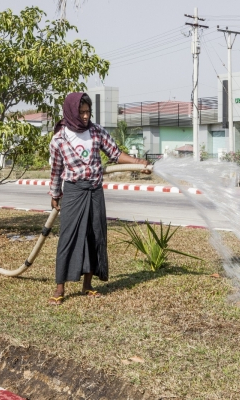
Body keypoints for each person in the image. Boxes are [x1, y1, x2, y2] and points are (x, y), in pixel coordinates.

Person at [48, 92, 150, 305]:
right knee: (68, 237)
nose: (85, 116)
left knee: (95, 235)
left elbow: (115, 153)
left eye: (88, 112)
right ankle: (60, 287)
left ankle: (88, 285)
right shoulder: (59, 139)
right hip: (74, 191)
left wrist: (138, 162)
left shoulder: (96, 132)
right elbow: (56, 170)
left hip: (95, 190)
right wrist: (55, 194)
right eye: (81, 112)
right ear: (71, 112)